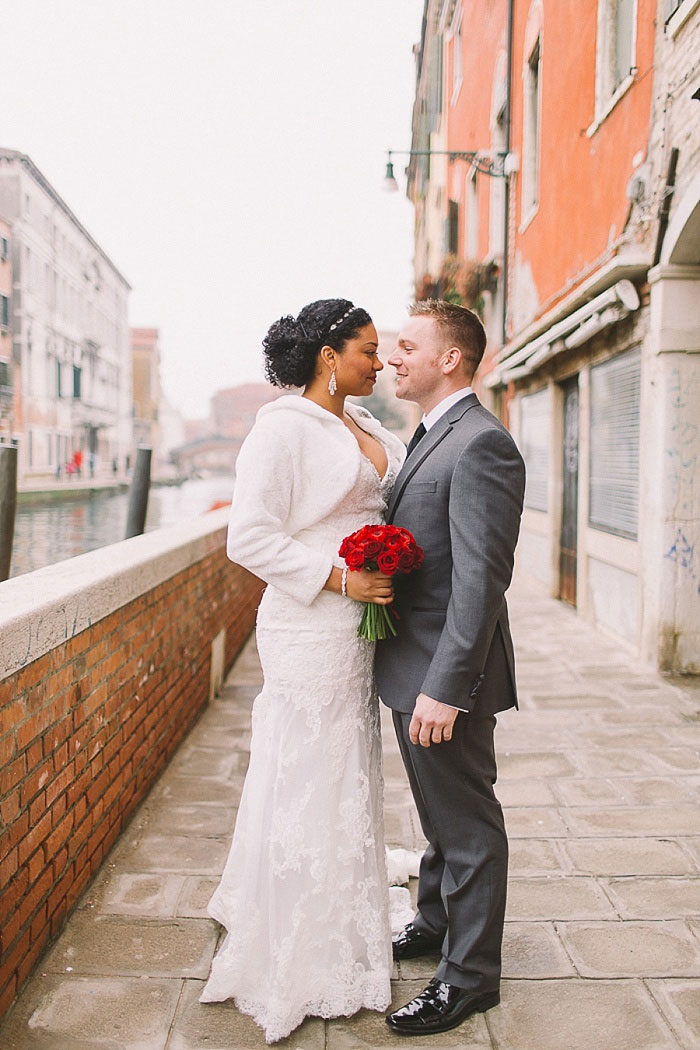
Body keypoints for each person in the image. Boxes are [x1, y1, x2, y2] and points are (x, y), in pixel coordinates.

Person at [199, 299, 406, 1043]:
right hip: (311, 621)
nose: (378, 363)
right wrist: (341, 580)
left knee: (347, 766)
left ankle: (346, 922)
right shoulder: (281, 429)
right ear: (328, 354)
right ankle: (298, 944)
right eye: (368, 350)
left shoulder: (369, 426)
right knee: (307, 768)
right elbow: (247, 537)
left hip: (359, 631)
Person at [375, 299, 525, 1037]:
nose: (393, 357)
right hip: (411, 668)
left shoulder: (482, 445)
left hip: (442, 678)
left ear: (450, 360)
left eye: (407, 345)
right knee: (438, 817)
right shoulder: (431, 433)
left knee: (467, 827)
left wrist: (446, 686)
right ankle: (435, 921)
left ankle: (470, 979)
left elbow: (480, 584)